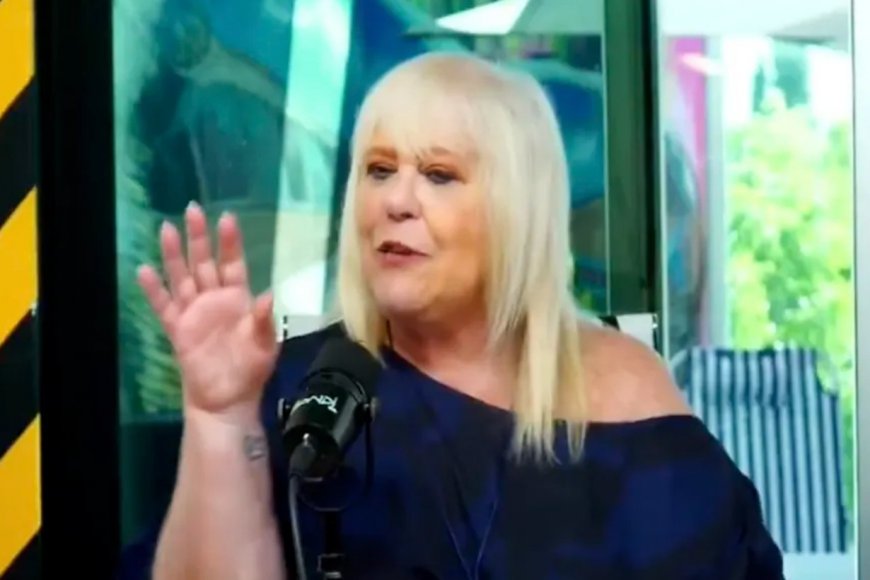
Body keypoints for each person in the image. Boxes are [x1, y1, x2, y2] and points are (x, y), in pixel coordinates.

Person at [130, 52, 784, 579]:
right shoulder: (306, 388)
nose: (396, 201)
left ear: (518, 210)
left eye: (438, 175)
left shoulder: (623, 387)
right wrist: (220, 417)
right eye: (378, 170)